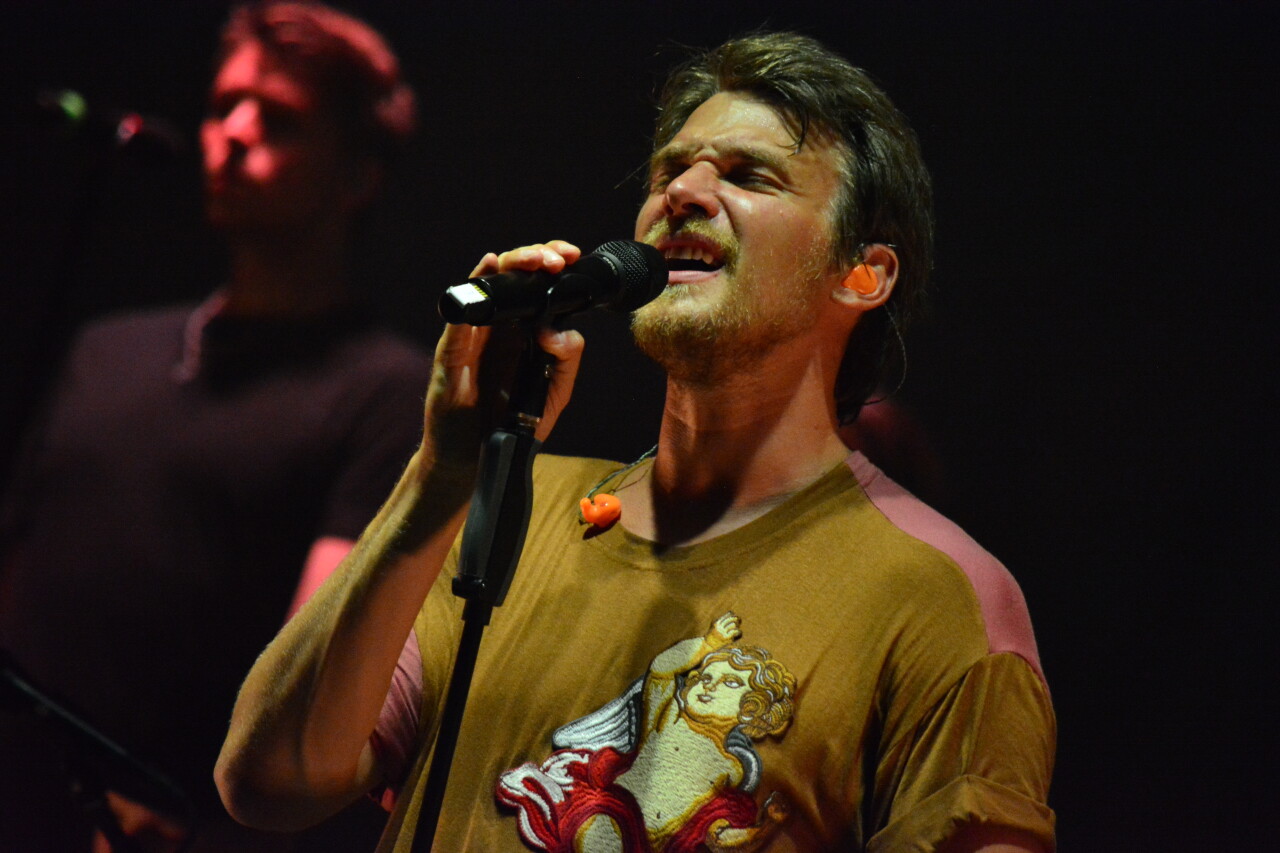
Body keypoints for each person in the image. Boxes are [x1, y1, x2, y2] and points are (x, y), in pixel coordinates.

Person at [214, 32, 1056, 852]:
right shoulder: (510, 507)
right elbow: (268, 780)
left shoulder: (938, 596)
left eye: (747, 175)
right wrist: (444, 471)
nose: (681, 192)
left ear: (862, 273)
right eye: (668, 171)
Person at [0, 3, 429, 850]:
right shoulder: (106, 349)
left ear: (357, 175)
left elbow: (317, 682)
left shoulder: (386, 392)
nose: (232, 133)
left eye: (279, 118)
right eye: (222, 106)